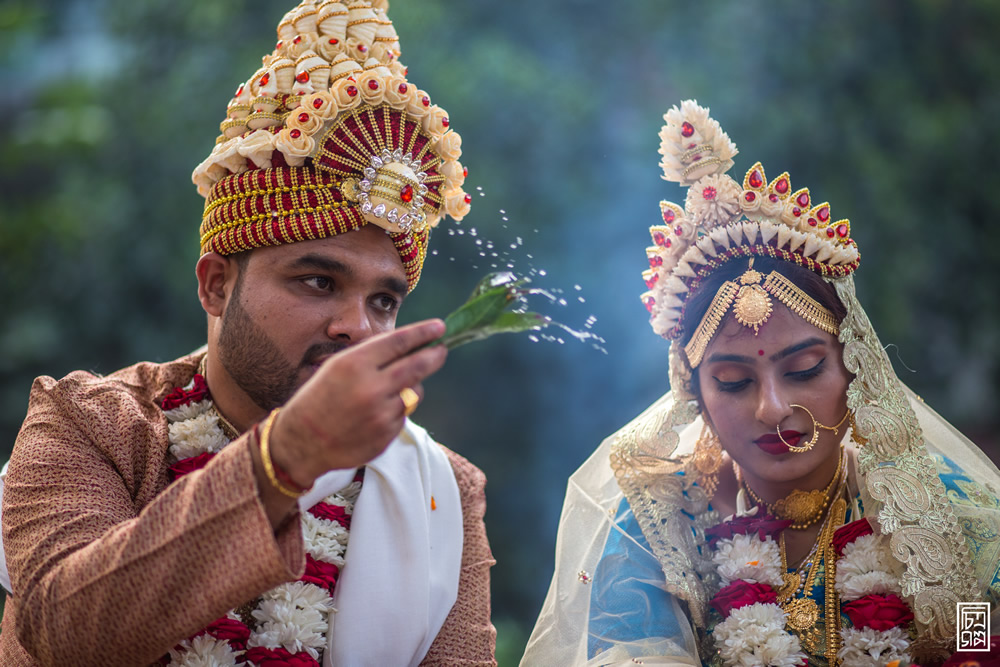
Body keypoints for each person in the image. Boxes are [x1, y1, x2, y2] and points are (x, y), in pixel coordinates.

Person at [0, 1, 495, 665]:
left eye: (384, 299)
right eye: (318, 280)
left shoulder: (441, 490)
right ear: (214, 284)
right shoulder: (90, 425)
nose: (358, 327)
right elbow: (68, 633)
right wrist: (282, 462)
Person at [522, 100, 1000, 667]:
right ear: (693, 394)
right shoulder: (657, 531)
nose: (774, 408)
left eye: (803, 370)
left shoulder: (949, 516)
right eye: (731, 381)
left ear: (856, 365)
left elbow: (984, 644)